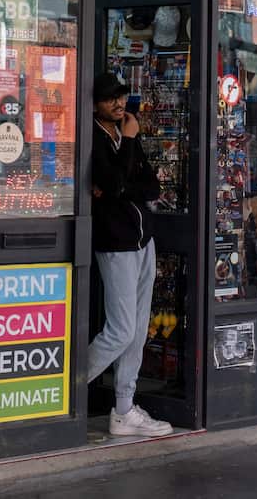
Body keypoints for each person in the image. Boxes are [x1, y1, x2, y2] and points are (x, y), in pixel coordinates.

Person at [86, 72, 173, 437]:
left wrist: (130, 153)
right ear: (95, 104)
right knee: (120, 331)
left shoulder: (124, 136)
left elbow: (150, 185)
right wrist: (130, 148)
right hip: (117, 244)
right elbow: (116, 183)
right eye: (110, 99)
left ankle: (124, 409)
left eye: (121, 97)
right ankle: (60, 392)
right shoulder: (95, 138)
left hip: (143, 241)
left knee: (137, 331)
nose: (119, 104)